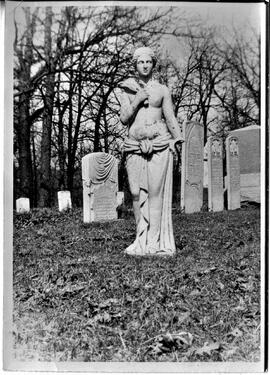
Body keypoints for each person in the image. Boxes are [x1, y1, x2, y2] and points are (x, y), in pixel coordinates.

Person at [119, 46, 184, 256]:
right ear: (135, 65)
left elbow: (170, 117)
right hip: (134, 146)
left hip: (159, 144)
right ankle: (141, 238)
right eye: (141, 62)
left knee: (155, 194)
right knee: (136, 194)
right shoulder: (126, 89)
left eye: (148, 62)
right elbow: (124, 118)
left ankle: (154, 241)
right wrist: (137, 99)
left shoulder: (162, 90)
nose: (145, 65)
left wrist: (178, 138)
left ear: (153, 64)